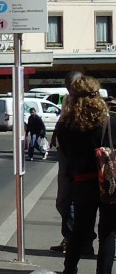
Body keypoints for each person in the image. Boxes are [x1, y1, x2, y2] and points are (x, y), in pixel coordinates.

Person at [54, 74, 116, 274]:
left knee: (79, 231)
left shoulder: (65, 125)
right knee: (108, 232)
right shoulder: (110, 121)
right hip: (108, 183)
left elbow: (65, 155)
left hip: (81, 183)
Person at [49, 70, 84, 252]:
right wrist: (56, 134)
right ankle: (71, 238)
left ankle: (75, 239)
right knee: (66, 201)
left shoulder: (83, 103)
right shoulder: (68, 100)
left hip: (75, 157)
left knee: (67, 200)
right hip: (66, 154)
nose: (69, 89)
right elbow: (62, 121)